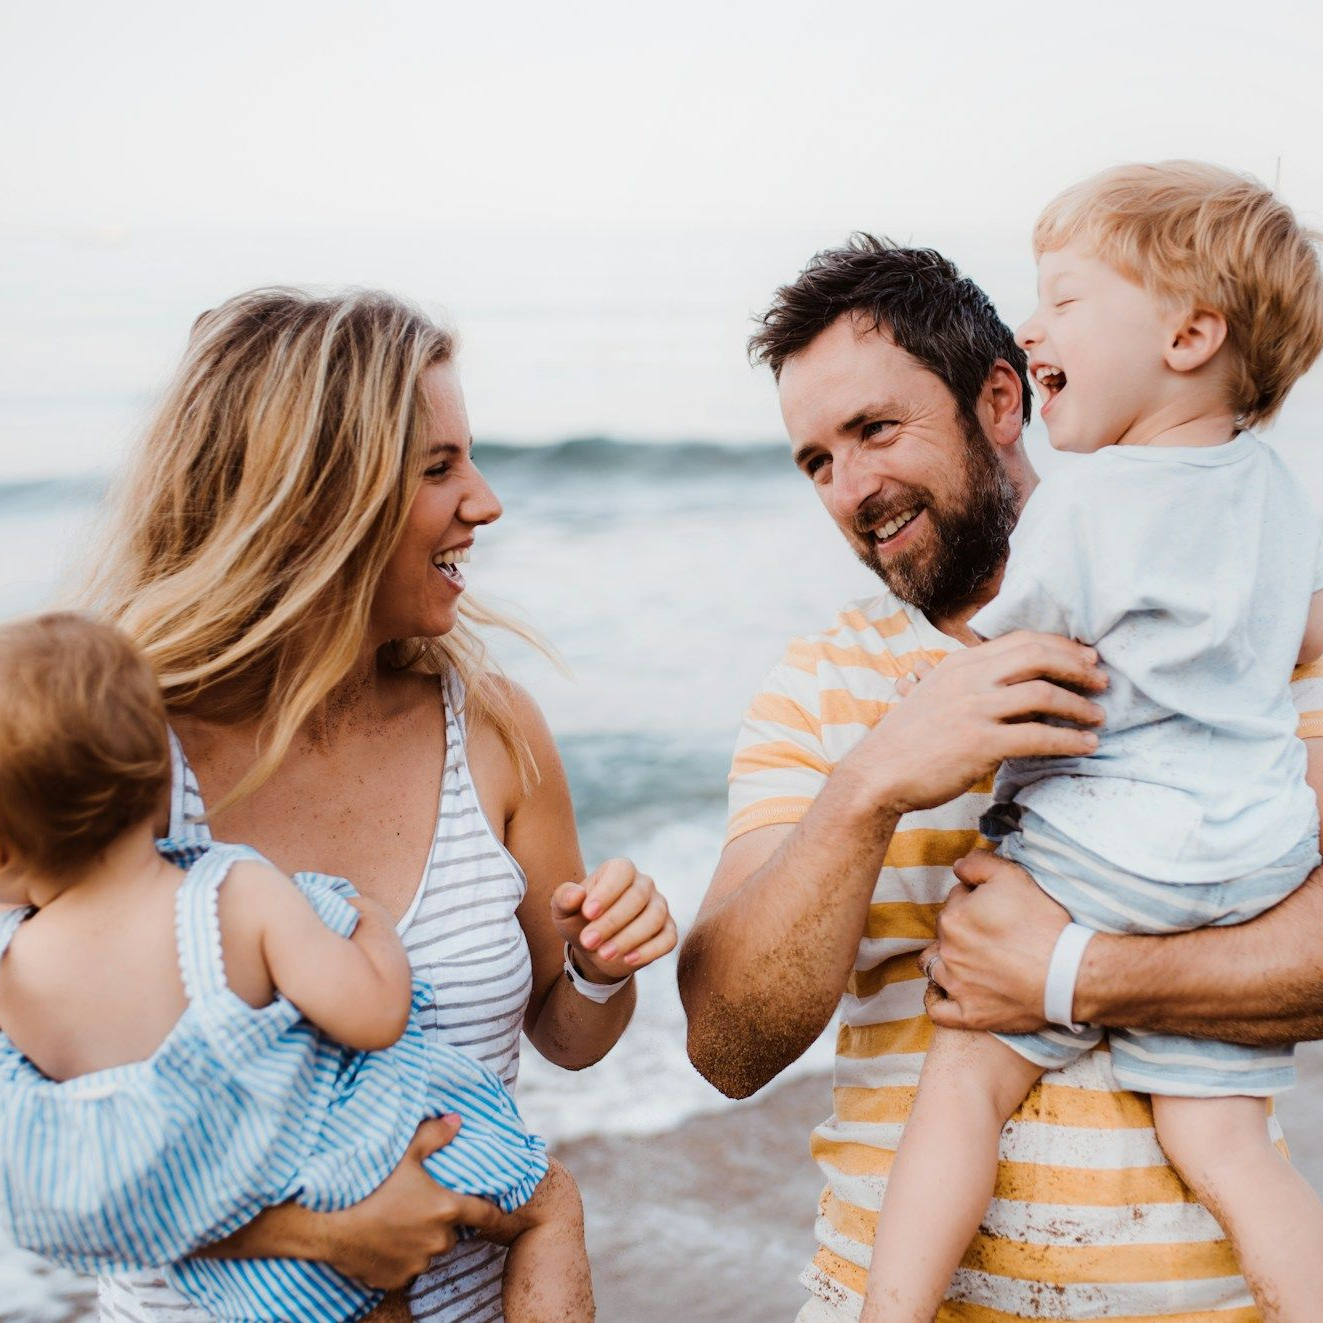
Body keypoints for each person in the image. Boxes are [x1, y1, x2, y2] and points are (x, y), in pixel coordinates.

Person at [677, 234, 1323, 1321]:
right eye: (817, 462)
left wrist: (1073, 974)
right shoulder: (817, 689)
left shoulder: (1235, 648)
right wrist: (872, 782)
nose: (852, 490)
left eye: (876, 430)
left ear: (1001, 400)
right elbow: (728, 1046)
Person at [82, 287, 677, 1323]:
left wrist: (598, 965)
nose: (485, 502)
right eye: (439, 468)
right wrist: (323, 1239)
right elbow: (51, 1154)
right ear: (313, 498)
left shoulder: (493, 731)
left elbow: (567, 1035)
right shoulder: (119, 762)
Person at [862, 164, 1323, 1322]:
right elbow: (1297, 630)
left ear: (1189, 333)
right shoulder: (1274, 490)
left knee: (964, 1080)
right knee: (1227, 1142)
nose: (1031, 325)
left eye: (1065, 299)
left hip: (1111, 853)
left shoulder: (1090, 501)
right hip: (1254, 858)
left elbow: (1013, 674)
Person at [0, 612, 593, 1323]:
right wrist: (369, 924)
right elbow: (374, 1017)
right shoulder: (232, 894)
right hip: (338, 1172)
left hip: (225, 1277)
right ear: (163, 776)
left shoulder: (16, 977)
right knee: (548, 1201)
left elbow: (42, 1169)